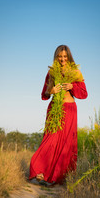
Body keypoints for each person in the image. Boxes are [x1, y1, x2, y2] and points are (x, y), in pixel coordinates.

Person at [29, 45, 88, 186]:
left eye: (65, 56)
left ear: (69, 57)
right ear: (56, 57)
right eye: (59, 56)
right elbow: (44, 94)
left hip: (70, 110)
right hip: (54, 110)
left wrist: (72, 87)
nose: (62, 59)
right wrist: (52, 90)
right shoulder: (51, 72)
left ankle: (58, 177)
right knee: (49, 141)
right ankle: (41, 172)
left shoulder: (76, 73)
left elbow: (84, 94)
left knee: (67, 144)